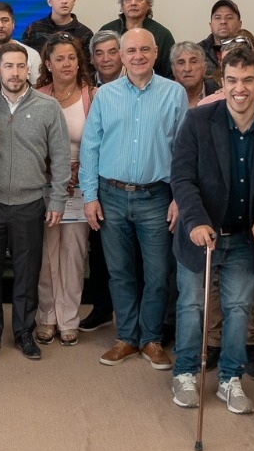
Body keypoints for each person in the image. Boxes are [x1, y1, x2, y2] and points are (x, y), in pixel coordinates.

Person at [168, 45, 254, 414]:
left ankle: (230, 379)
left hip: (244, 236)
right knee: (191, 306)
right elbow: (182, 177)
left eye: (248, 80)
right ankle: (185, 372)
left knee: (238, 308)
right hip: (200, 234)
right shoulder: (199, 120)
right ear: (221, 82)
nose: (240, 88)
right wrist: (195, 220)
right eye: (232, 80)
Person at [80, 29, 188, 371]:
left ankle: (151, 339)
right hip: (110, 194)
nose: (138, 55)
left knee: (158, 273)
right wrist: (89, 196)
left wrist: (180, 197)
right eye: (131, 50)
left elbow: (184, 152)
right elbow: (90, 147)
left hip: (157, 196)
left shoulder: (174, 94)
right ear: (121, 56)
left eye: (144, 49)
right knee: (120, 272)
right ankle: (126, 337)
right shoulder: (105, 95)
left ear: (156, 53)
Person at [0, 42, 69, 362]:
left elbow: (60, 156)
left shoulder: (47, 106)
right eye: (8, 66)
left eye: (20, 66)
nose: (15, 72)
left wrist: (56, 200)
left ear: (28, 69)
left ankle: (25, 333)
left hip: (30, 201)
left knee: (27, 272)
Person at [33, 35, 95, 345]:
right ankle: (47, 317)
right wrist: (55, 173)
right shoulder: (37, 96)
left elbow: (99, 144)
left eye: (72, 57)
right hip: (44, 184)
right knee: (46, 255)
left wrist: (76, 172)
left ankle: (69, 317)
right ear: (47, 63)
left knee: (74, 253)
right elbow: (29, 144)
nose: (67, 63)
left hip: (81, 186)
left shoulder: (91, 96)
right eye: (59, 58)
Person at [79, 28, 124, 331]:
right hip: (93, 183)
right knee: (98, 252)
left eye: (112, 51)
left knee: (130, 257)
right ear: (92, 59)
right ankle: (103, 307)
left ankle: (134, 318)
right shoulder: (84, 90)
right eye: (99, 53)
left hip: (124, 182)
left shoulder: (141, 86)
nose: (106, 58)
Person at [100, 0, 174, 77]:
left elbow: (171, 73)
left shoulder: (162, 34)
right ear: (122, 5)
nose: (133, 3)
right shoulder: (108, 30)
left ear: (148, 5)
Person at [23, 0, 93, 54]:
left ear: (74, 1)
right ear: (49, 1)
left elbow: (87, 65)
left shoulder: (85, 33)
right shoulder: (33, 30)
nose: (64, 1)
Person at [198, 0, 254, 76]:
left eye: (229, 17)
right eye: (218, 18)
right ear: (210, 26)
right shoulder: (197, 52)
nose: (223, 21)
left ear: (239, 24)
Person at [0, 1, 42, 84]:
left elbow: (37, 89)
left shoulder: (32, 55)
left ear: (13, 24)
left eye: (5, 20)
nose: (0, 25)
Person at [171, 41, 217, 109]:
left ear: (204, 68)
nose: (187, 69)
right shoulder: (165, 96)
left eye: (193, 62)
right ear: (173, 70)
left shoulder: (218, 94)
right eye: (181, 63)